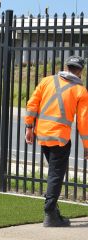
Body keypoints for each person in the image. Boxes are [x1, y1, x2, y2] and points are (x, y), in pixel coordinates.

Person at [25, 55, 88, 227]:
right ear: (80, 71)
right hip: (60, 139)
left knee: (54, 173)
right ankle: (50, 213)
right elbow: (83, 122)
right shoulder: (80, 91)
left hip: (42, 135)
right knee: (55, 175)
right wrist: (87, 147)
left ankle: (53, 210)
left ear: (66, 67)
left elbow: (32, 104)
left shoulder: (46, 81)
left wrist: (29, 127)